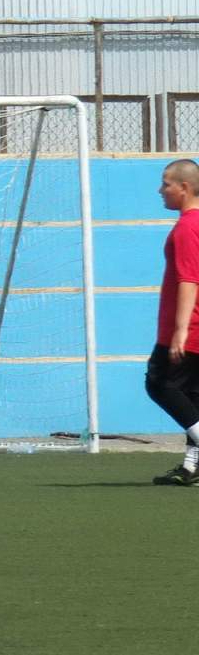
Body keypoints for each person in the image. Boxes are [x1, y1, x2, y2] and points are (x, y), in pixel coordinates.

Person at [147, 159, 199, 485]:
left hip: (188, 328)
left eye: (166, 184)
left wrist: (180, 330)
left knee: (159, 384)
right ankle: (192, 466)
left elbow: (189, 279)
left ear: (184, 187)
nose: (161, 190)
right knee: (192, 395)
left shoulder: (187, 228)